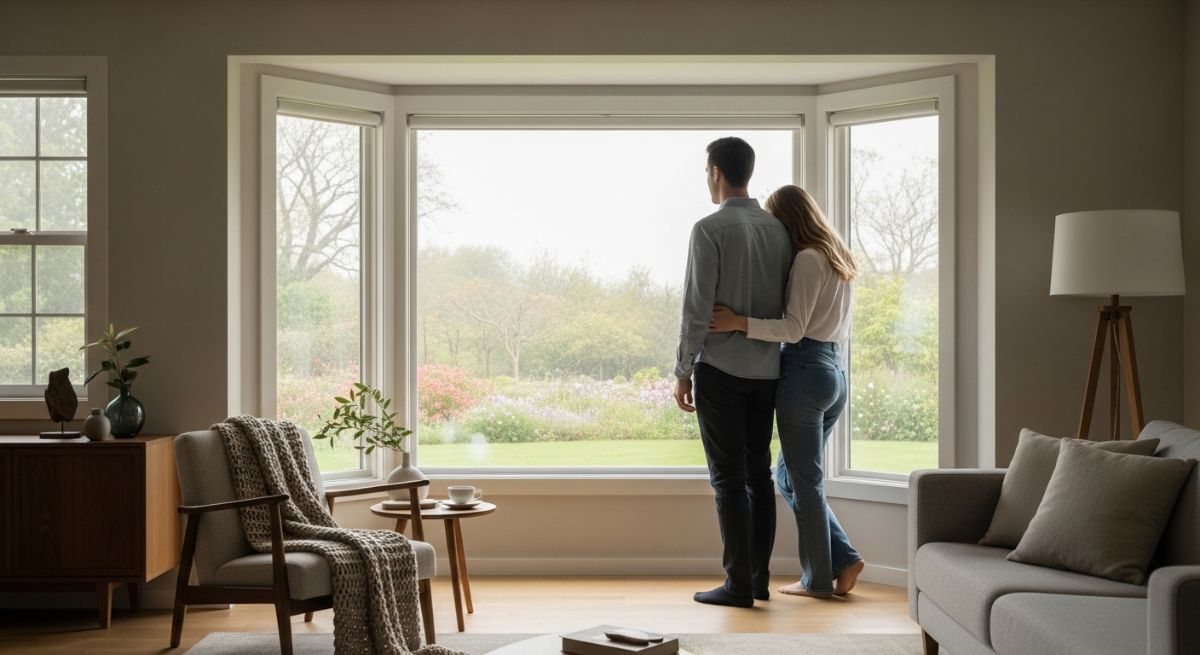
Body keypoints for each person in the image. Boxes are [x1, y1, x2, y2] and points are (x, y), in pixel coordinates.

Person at [710, 184, 866, 598]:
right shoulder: (839, 259)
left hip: (805, 370)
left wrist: (738, 322)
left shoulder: (808, 260)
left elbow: (793, 330)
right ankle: (845, 560)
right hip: (835, 370)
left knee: (805, 481)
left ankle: (817, 580)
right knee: (788, 476)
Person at [674, 137, 794, 608]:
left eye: (707, 172)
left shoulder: (709, 229)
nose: (707, 180)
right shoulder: (779, 230)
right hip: (767, 371)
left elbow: (696, 306)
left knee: (727, 479)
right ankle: (758, 580)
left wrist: (682, 369)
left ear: (717, 173)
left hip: (721, 370)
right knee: (758, 476)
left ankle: (737, 585)